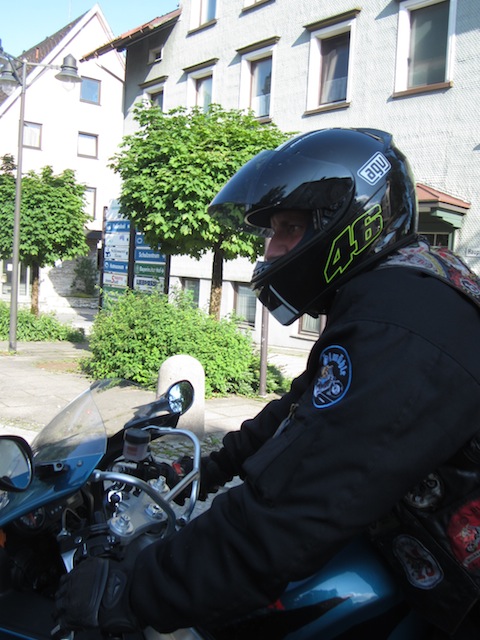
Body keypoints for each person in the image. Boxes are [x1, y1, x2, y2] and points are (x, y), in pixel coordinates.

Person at [54, 128, 480, 638]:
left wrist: (135, 590)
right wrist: (207, 468)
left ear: (351, 223)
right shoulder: (400, 289)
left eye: (289, 229)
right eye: (271, 232)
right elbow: (304, 406)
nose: (271, 250)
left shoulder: (399, 326)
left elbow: (298, 504)